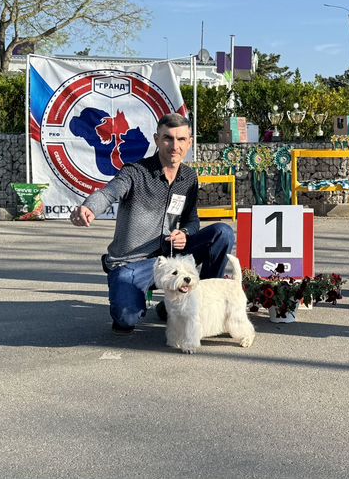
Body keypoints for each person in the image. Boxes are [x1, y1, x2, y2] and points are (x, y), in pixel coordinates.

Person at [70, 112, 234, 334]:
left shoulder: (189, 178)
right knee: (126, 320)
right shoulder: (135, 173)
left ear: (190, 142)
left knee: (222, 233)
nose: (174, 145)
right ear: (157, 139)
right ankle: (147, 300)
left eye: (181, 139)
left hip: (171, 257)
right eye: (168, 138)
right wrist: (89, 207)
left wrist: (185, 232)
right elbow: (110, 192)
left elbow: (192, 219)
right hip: (132, 263)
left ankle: (195, 304)